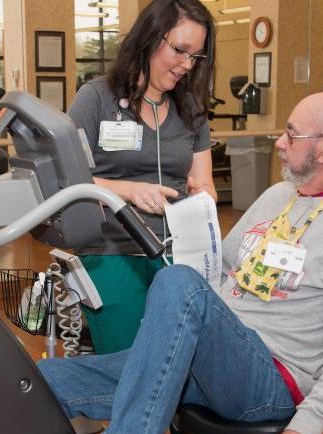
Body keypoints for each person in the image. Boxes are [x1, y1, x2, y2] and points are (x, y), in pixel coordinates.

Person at [41, 91, 323, 434]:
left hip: (270, 379)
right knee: (42, 379)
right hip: (208, 360)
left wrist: (308, 423)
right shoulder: (277, 197)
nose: (278, 143)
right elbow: (215, 269)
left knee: (176, 282)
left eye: (291, 135)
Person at [69, 0, 217, 355]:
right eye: (180, 50)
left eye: (195, 57)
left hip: (179, 253)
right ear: (150, 38)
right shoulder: (96, 100)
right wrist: (126, 191)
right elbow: (66, 181)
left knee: (181, 360)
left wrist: (204, 196)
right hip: (114, 251)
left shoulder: (192, 109)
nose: (186, 65)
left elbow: (205, 183)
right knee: (128, 364)